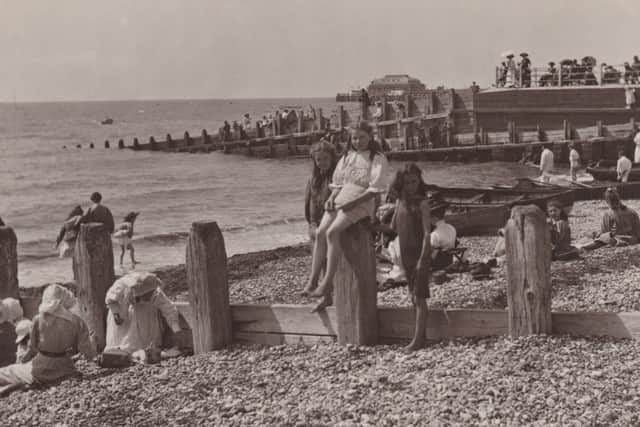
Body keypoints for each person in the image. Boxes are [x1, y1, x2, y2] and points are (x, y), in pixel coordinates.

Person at [307, 122, 389, 307]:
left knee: (332, 233)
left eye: (361, 137)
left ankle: (327, 282)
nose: (357, 141)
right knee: (320, 233)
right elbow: (338, 182)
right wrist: (331, 198)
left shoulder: (377, 158)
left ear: (370, 137)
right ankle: (313, 280)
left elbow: (375, 189)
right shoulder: (347, 157)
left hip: (361, 201)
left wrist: (354, 202)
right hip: (342, 197)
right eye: (354, 138)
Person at [0, 284, 95, 396]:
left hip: (41, 369)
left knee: (7, 371)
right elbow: (86, 351)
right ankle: (20, 385)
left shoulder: (38, 320)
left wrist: (22, 360)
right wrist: (94, 358)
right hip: (66, 369)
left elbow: (32, 349)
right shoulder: (77, 322)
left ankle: (18, 385)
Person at [387, 163, 431, 351]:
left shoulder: (423, 203)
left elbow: (427, 234)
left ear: (419, 181)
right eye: (406, 183)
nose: (410, 186)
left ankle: (418, 340)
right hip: (406, 256)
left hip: (420, 255)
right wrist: (369, 225)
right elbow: (392, 229)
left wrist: (423, 259)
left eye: (414, 182)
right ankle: (419, 335)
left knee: (420, 298)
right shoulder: (400, 203)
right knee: (413, 295)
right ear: (400, 184)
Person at [105, 272, 181, 354]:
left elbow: (169, 309)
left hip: (145, 319)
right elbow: (110, 300)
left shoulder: (155, 291)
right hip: (123, 314)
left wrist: (176, 328)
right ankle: (118, 350)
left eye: (149, 294)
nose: (148, 296)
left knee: (143, 340)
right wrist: (116, 313)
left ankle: (143, 348)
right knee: (120, 338)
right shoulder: (122, 285)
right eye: (144, 295)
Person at [302, 142, 339, 309]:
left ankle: (326, 292)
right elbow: (307, 202)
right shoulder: (313, 179)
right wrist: (311, 224)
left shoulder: (335, 178)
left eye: (325, 159)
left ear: (332, 158)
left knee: (328, 260)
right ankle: (326, 297)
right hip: (315, 224)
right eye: (318, 159)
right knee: (320, 261)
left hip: (330, 223)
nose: (321, 162)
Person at [430, 203, 457, 270]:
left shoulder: (435, 234)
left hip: (438, 263)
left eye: (430, 217)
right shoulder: (451, 227)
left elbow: (431, 252)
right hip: (449, 261)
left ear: (434, 218)